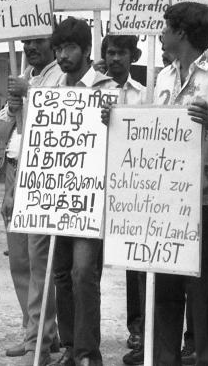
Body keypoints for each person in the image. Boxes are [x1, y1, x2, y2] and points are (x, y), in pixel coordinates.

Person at [153, 2, 208, 366]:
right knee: (166, 287)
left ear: (182, 32)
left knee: (207, 290)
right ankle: (164, 359)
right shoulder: (162, 77)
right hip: (166, 198)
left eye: (166, 26)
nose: (160, 32)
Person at [46, 18, 115, 366]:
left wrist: (111, 120)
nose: (62, 55)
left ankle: (89, 353)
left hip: (92, 197)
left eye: (69, 48)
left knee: (84, 273)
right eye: (57, 49)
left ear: (87, 50)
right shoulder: (53, 90)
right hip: (59, 196)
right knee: (60, 273)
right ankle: (71, 347)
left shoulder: (108, 90)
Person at [0, 36, 64, 365]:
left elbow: (63, 115)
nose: (29, 48)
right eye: (25, 42)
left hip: (40, 175)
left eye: (36, 41)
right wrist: (13, 107)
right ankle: (34, 332)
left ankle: (38, 340)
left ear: (54, 44)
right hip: (13, 172)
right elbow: (1, 134)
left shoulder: (60, 76)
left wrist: (30, 96)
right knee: (20, 261)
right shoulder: (22, 74)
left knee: (41, 262)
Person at [96, 35, 146, 366]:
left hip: (131, 186)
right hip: (92, 184)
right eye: (109, 52)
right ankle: (77, 339)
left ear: (133, 56)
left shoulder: (146, 94)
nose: (115, 58)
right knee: (82, 265)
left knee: (136, 261)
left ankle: (139, 328)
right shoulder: (89, 90)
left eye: (121, 52)